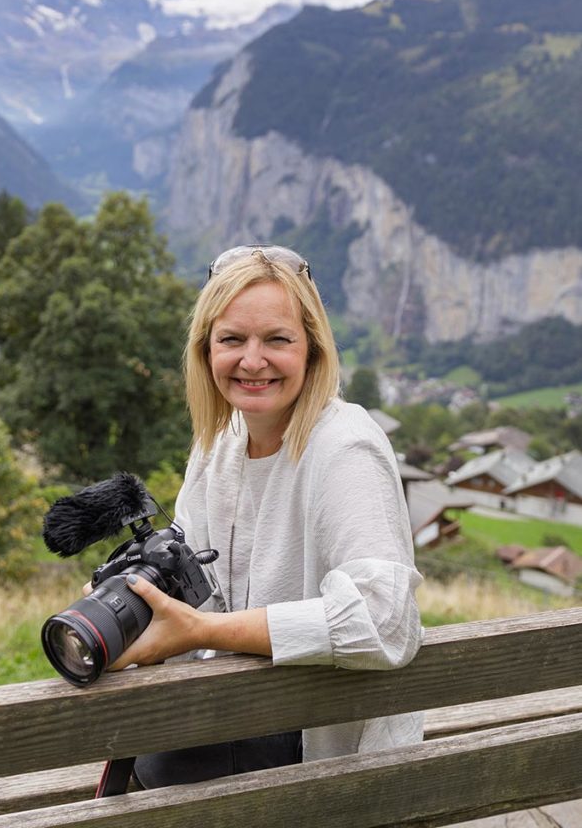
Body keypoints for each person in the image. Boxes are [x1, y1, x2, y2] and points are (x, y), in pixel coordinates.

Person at [108, 245, 423, 786]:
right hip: (244, 718)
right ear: (205, 350)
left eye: (277, 339)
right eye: (232, 340)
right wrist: (134, 607)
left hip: (327, 757)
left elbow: (385, 621)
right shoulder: (219, 445)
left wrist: (203, 631)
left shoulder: (345, 447)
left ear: (313, 350)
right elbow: (193, 584)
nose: (252, 361)